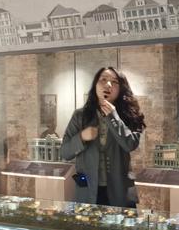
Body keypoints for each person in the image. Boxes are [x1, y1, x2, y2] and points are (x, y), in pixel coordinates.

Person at [61, 67, 145, 207]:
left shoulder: (129, 115)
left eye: (114, 82)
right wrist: (81, 137)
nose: (108, 85)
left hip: (119, 190)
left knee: (119, 221)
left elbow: (130, 144)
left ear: (121, 88)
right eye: (103, 80)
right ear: (95, 85)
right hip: (88, 190)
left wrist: (113, 117)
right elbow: (65, 152)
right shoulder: (80, 116)